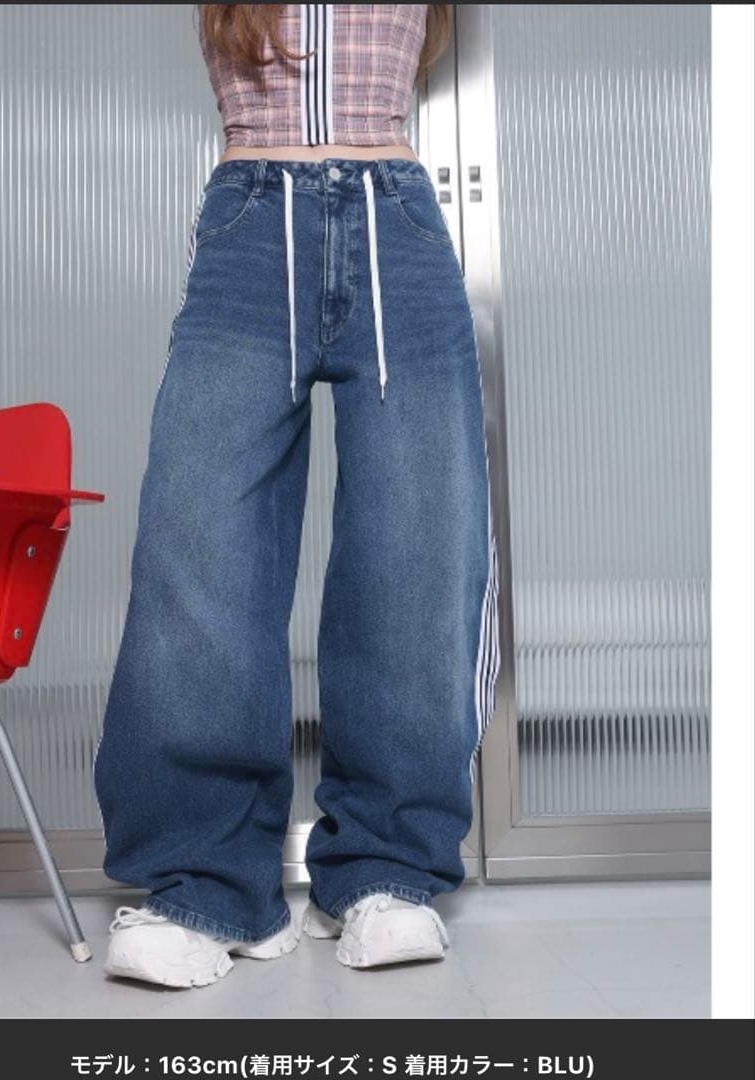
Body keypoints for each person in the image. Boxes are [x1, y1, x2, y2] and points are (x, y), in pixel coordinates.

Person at [94, 2, 500, 990]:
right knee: (199, 547)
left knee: (418, 544)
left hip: (396, 220)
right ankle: (203, 884)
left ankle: (384, 871)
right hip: (248, 222)